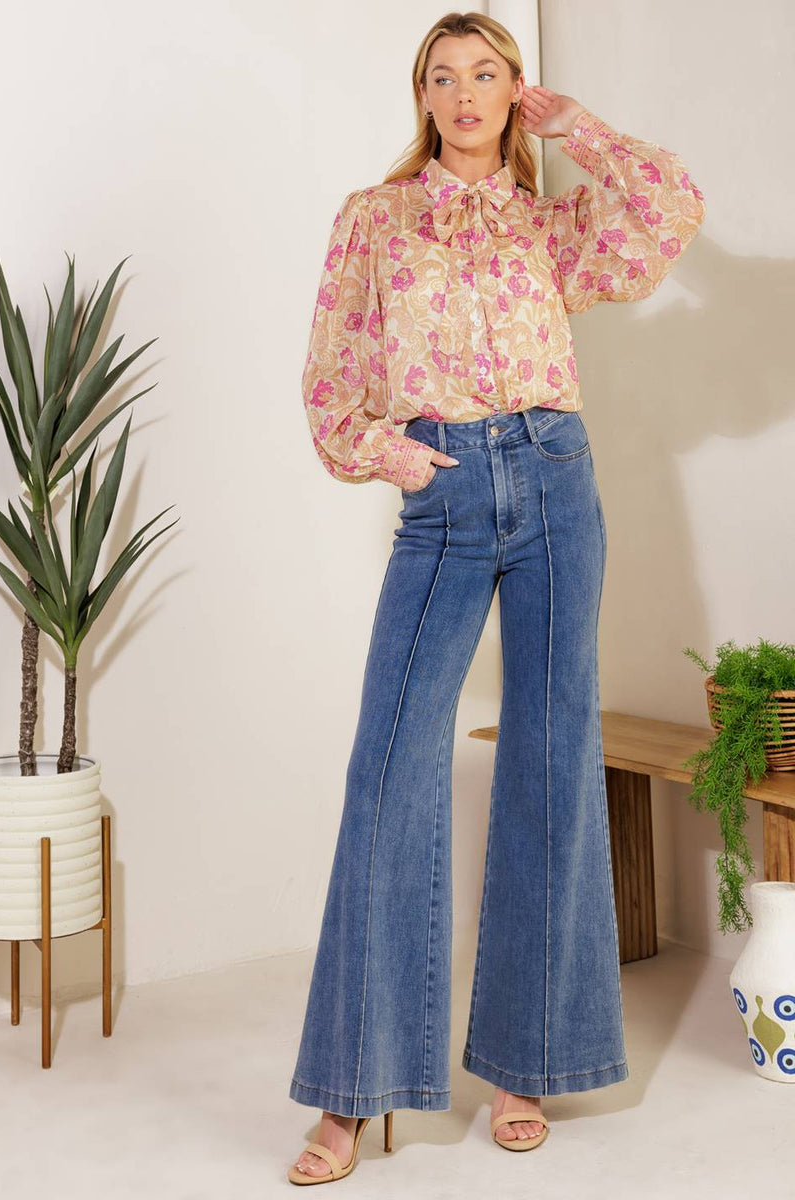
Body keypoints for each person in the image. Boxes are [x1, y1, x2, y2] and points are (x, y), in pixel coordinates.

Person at [288, 10, 706, 1185]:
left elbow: (670, 208)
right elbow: (329, 379)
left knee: (547, 759)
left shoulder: (549, 226)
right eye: (444, 75)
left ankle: (525, 1065)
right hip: (445, 490)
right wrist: (391, 453)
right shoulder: (373, 219)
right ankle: (350, 1091)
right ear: (420, 95)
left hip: (556, 482)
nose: (464, 93)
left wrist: (575, 126)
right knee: (387, 770)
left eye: (488, 74)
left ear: (513, 91)